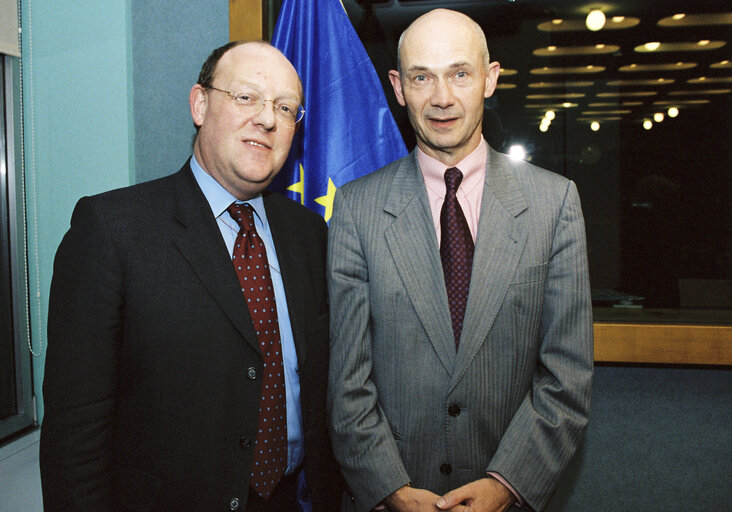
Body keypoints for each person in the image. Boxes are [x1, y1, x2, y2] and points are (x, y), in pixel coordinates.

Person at [40, 41, 340, 512]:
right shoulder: (112, 230)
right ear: (200, 104)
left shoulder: (310, 235)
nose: (268, 119)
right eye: (247, 98)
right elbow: (75, 435)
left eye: (286, 107)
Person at [327, 9, 593, 512]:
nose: (442, 98)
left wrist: (505, 485)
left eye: (460, 73)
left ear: (490, 79)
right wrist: (391, 489)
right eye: (421, 77)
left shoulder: (554, 204)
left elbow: (567, 377)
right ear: (398, 87)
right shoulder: (358, 209)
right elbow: (347, 380)